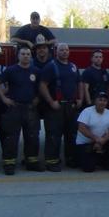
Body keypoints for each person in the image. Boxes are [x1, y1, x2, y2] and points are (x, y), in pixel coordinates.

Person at [0, 46, 43, 175]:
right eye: (23, 53)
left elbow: (42, 86)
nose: (26, 56)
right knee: (11, 137)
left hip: (30, 109)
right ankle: (9, 163)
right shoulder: (11, 70)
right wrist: (3, 98)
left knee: (32, 136)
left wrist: (38, 98)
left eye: (28, 54)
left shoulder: (36, 71)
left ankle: (31, 162)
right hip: (14, 108)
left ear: (31, 56)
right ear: (18, 55)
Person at [39, 43, 83, 171]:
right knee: (54, 134)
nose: (64, 52)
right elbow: (42, 85)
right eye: (61, 50)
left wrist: (80, 98)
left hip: (71, 106)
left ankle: (70, 159)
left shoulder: (73, 67)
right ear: (56, 52)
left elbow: (79, 83)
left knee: (71, 134)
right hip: (56, 108)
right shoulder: (50, 66)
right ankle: (52, 162)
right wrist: (51, 102)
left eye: (66, 50)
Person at [76, 92, 109, 172]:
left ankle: (104, 163)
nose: (102, 102)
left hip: (101, 141)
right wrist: (96, 139)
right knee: (88, 169)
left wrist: (102, 141)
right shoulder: (87, 111)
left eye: (105, 100)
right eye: (100, 100)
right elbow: (81, 128)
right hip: (86, 143)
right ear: (95, 101)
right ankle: (94, 158)